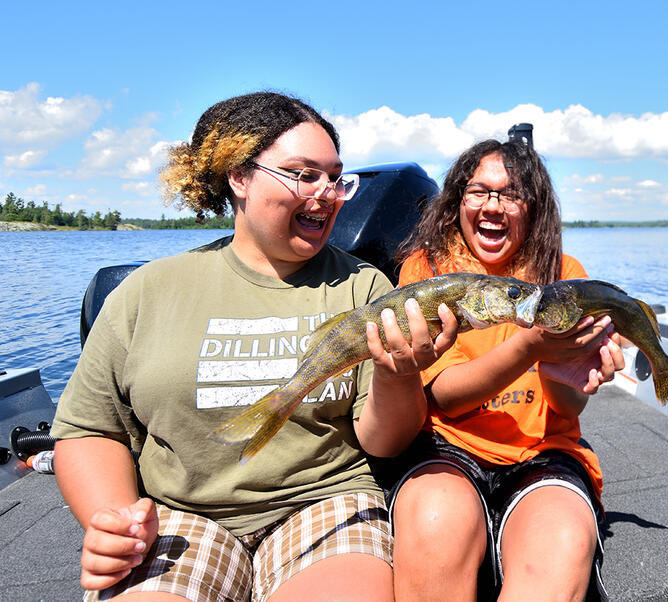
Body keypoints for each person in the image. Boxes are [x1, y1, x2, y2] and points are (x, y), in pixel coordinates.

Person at [50, 92, 457, 602]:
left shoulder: (365, 289)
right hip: (180, 519)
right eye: (304, 174)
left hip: (324, 505)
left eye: (336, 178)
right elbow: (89, 427)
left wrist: (398, 375)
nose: (327, 193)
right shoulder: (146, 292)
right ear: (239, 177)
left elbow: (383, 442)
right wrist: (112, 522)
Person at [381, 139, 625, 601]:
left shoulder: (565, 274)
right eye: (479, 191)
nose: (493, 206)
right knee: (433, 523)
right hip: (447, 446)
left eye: (511, 194)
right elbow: (446, 396)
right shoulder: (428, 272)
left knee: (560, 540)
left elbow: (569, 404)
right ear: (457, 201)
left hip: (544, 451)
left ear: (533, 208)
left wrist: (567, 377)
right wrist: (534, 345)